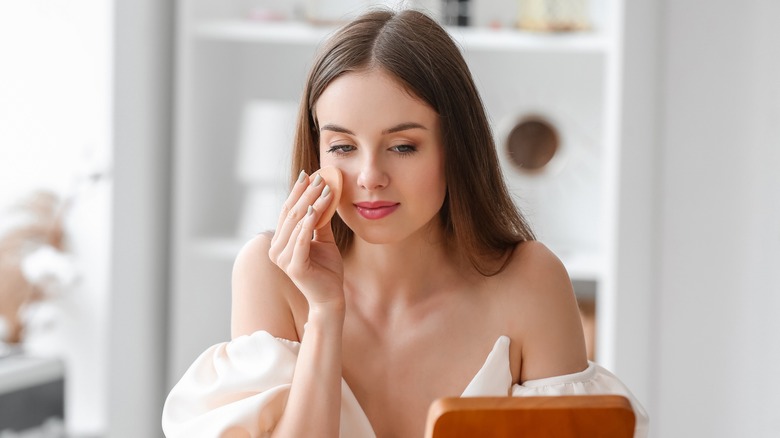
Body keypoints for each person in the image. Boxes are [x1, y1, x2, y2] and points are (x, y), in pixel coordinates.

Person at [162, 8, 648, 438]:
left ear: (454, 148)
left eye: (403, 147)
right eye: (343, 147)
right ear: (317, 153)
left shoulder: (529, 281)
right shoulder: (271, 275)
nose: (370, 177)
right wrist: (325, 314)